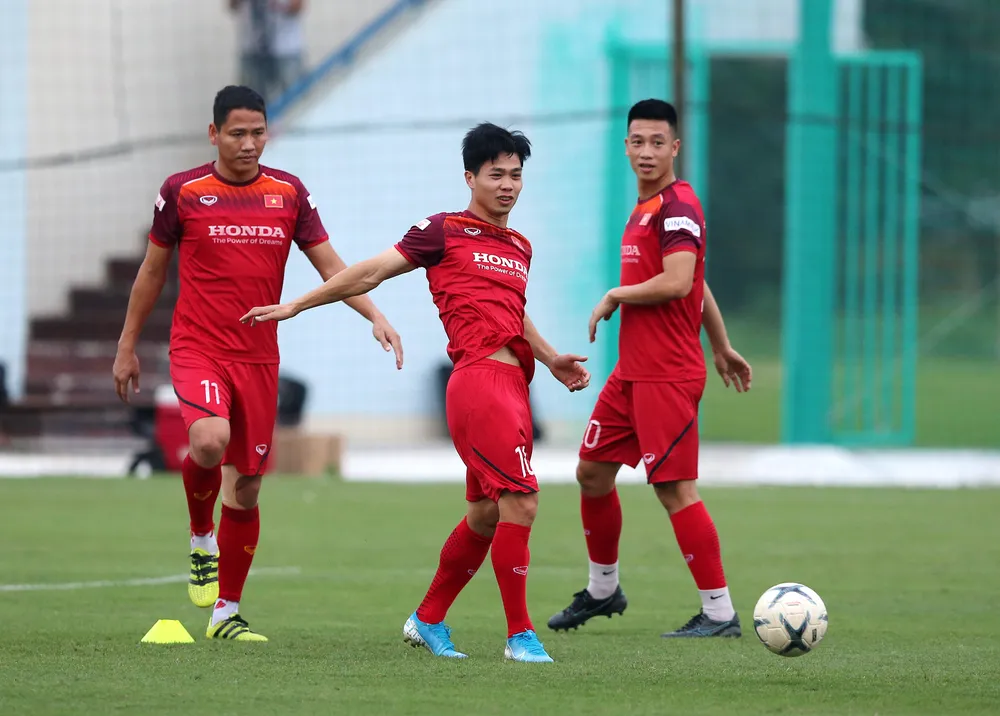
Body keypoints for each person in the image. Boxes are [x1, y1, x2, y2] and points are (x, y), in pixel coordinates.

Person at [240, 123, 591, 662]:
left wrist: (550, 359)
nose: (507, 185)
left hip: (515, 387)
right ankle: (520, 635)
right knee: (522, 501)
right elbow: (371, 272)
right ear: (470, 178)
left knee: (486, 514)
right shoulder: (442, 230)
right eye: (495, 174)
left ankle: (428, 619)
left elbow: (513, 312)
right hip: (478, 384)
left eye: (515, 175)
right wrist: (296, 305)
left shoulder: (519, 245)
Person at [112, 85, 402, 642]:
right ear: (214, 134)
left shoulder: (288, 193)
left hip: (259, 357)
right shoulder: (183, 191)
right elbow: (151, 271)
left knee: (245, 489)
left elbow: (331, 266)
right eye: (238, 133)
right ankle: (202, 536)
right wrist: (127, 345)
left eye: (258, 133)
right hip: (198, 347)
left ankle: (226, 614)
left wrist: (374, 314)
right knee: (209, 440)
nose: (249, 144)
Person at [547, 99, 752, 638]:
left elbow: (680, 281)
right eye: (637, 141)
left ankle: (719, 613)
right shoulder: (645, 207)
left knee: (674, 489)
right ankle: (602, 590)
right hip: (633, 373)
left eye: (657, 142)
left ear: (675, 147)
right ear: (626, 146)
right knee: (592, 473)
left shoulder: (678, 207)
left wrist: (616, 294)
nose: (646, 151)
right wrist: (722, 344)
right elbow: (698, 280)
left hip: (667, 373)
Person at [229, 0, 306, 103]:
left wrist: (277, 5)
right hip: (252, 50)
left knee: (294, 102)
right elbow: (232, 5)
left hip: (286, 50)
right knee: (250, 103)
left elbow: (297, 6)